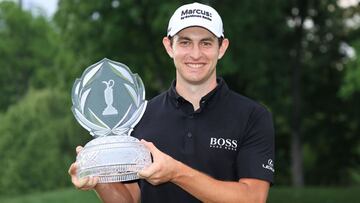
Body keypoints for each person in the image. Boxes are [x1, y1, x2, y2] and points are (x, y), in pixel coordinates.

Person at [68, 2, 275, 203]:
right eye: (185, 42)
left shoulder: (252, 116)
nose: (195, 54)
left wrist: (175, 172)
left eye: (206, 43)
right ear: (169, 46)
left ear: (222, 48)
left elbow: (253, 198)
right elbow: (131, 199)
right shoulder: (139, 115)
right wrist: (99, 178)